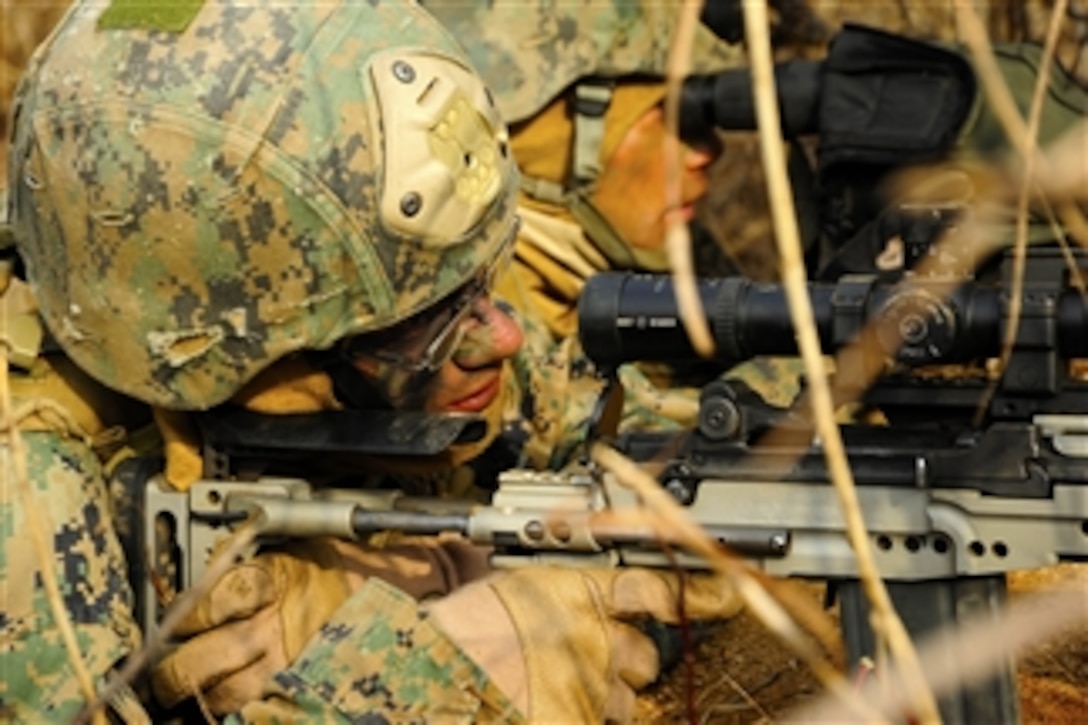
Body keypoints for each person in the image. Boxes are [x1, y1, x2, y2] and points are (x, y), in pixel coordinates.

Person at [0, 1, 745, 722]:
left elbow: (682, 482)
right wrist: (433, 682)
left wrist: (387, 587)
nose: (500, 338)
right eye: (420, 322)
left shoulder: (414, 354)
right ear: (206, 345)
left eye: (481, 282)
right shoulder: (23, 486)